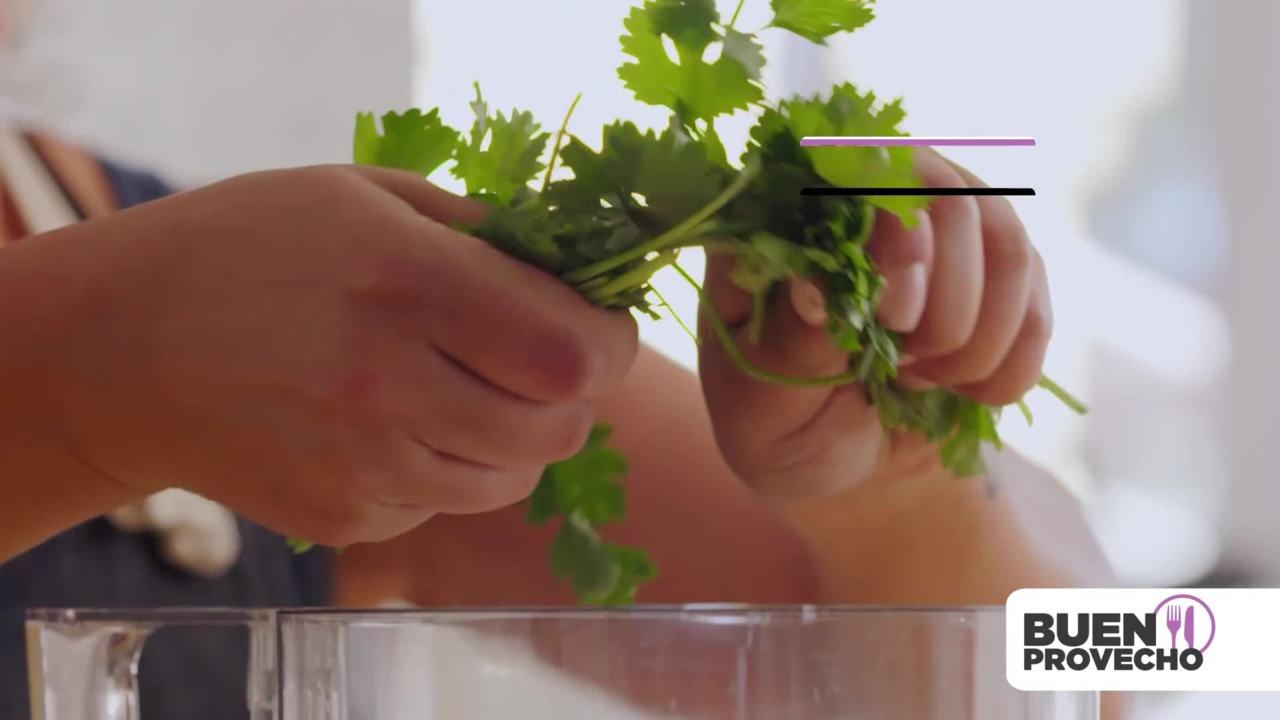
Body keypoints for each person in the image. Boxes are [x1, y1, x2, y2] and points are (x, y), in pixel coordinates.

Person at [0, 20, 1113, 720]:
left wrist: (895, 480)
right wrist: (82, 362)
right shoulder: (199, 303)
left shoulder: (299, 317)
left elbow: (1107, 667)